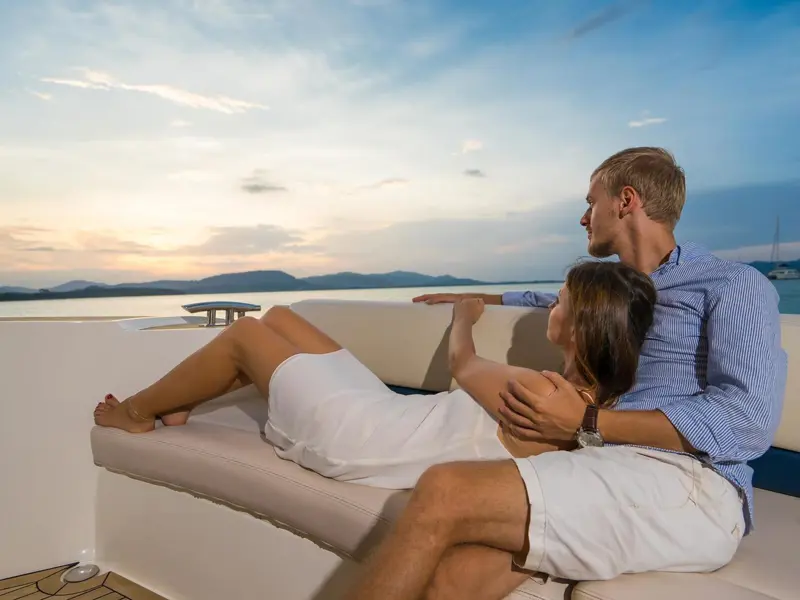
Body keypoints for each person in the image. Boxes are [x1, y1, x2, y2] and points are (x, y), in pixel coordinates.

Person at [347, 147, 787, 600]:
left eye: (591, 202)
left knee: (445, 490)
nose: (584, 217)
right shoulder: (613, 290)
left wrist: (587, 423)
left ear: (626, 201)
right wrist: (473, 299)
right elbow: (546, 300)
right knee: (453, 579)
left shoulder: (731, 285)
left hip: (688, 481)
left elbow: (747, 420)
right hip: (603, 463)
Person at [93, 259, 656, 491]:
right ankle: (186, 398)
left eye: (557, 303)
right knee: (285, 316)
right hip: (390, 412)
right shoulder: (591, 401)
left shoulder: (540, 392)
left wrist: (464, 315)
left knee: (245, 333)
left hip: (360, 438)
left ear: (579, 329)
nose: (548, 310)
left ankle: (137, 413)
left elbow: (462, 365)